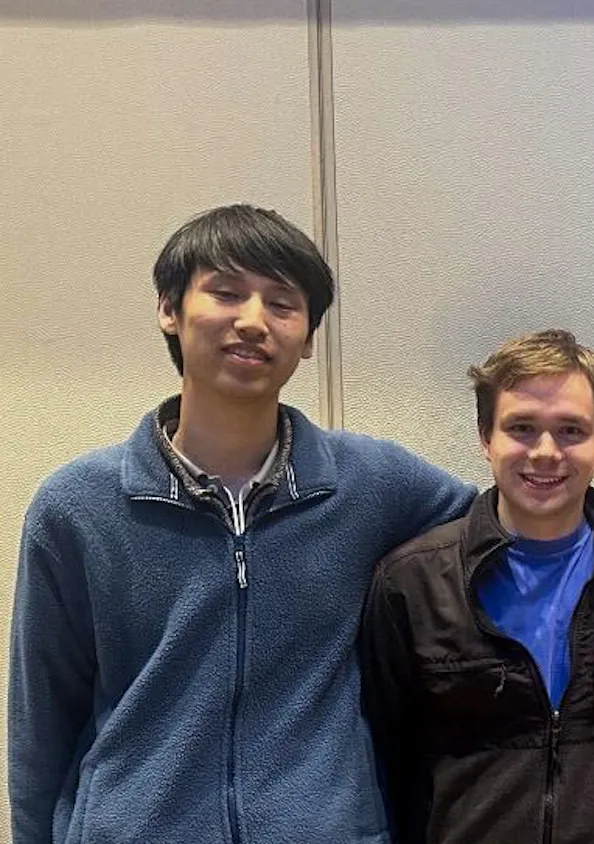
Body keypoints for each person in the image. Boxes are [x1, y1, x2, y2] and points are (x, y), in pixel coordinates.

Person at [8, 204, 474, 843]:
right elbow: (40, 724)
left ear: (309, 338)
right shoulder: (77, 506)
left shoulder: (371, 483)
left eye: (283, 305)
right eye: (226, 293)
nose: (253, 322)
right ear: (169, 308)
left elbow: (518, 527)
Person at [359, 329, 594, 843]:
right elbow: (381, 758)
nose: (544, 452)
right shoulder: (412, 582)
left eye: (570, 431)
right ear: (485, 437)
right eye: (521, 427)